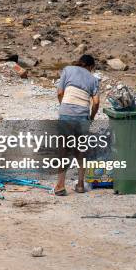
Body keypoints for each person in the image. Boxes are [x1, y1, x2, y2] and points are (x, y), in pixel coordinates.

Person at [54, 54, 100, 196]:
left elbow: (60, 92)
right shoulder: (93, 79)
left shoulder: (68, 70)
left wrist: (64, 106)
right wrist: (91, 118)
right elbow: (96, 102)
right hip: (82, 117)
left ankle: (60, 186)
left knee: (64, 150)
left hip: (66, 113)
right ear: (91, 67)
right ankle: (80, 185)